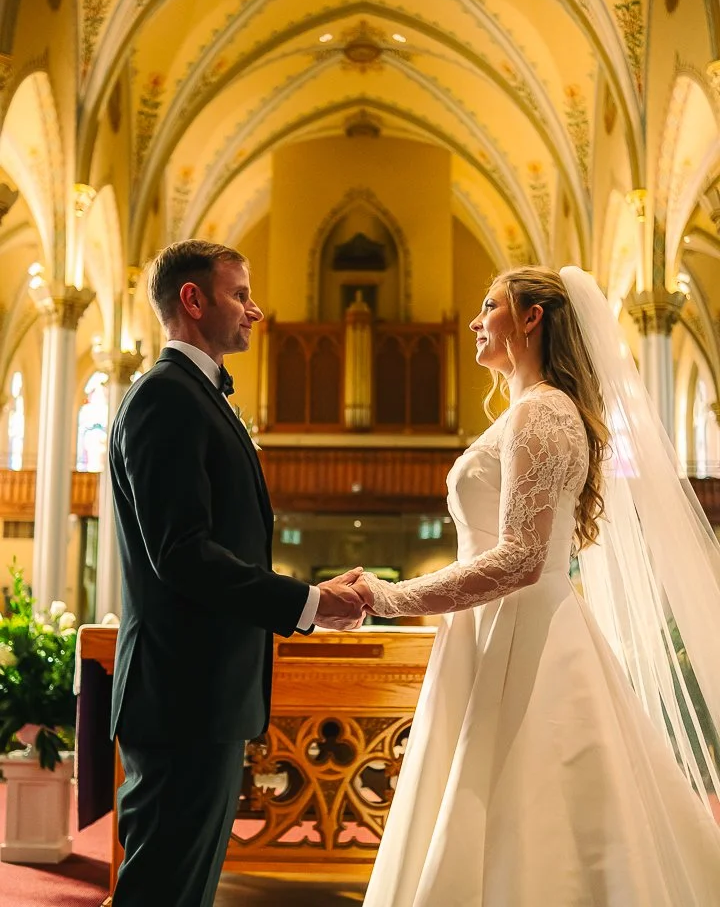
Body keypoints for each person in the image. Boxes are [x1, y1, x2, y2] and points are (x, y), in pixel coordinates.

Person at [355, 265, 720, 907]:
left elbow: (521, 560)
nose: (474, 321)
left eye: (490, 305)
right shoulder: (535, 411)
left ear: (531, 318)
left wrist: (390, 597)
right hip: (499, 626)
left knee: (527, 814)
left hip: (521, 632)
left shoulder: (543, 412)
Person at [108, 239, 364, 907]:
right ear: (192, 300)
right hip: (180, 697)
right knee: (162, 891)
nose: (256, 310)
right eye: (240, 294)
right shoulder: (167, 398)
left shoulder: (197, 395)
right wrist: (307, 601)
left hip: (202, 696)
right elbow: (184, 553)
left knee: (183, 891)